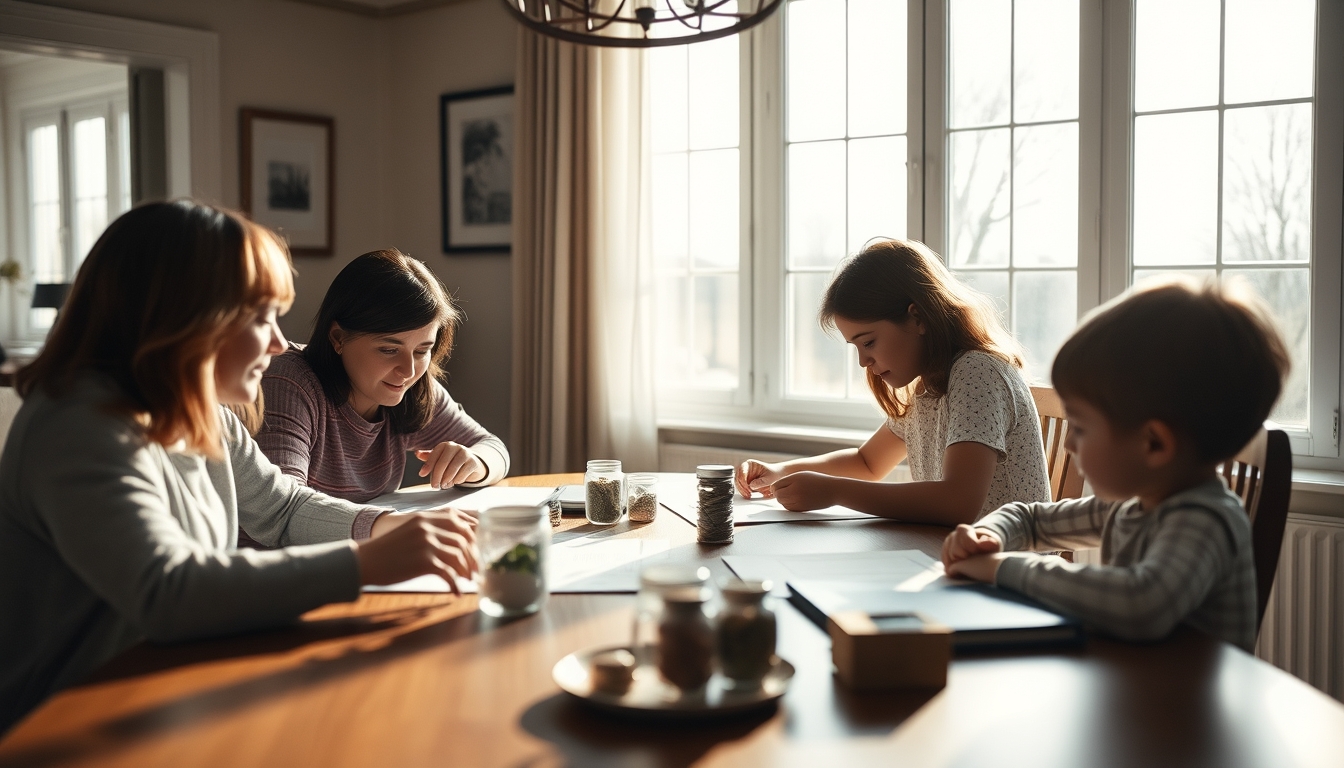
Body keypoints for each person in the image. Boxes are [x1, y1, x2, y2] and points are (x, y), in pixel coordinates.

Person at [0, 202, 478, 734]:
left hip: (164, 698)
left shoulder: (198, 411)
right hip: (59, 727)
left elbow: (282, 509)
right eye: (261, 318)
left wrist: (389, 528)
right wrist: (366, 563)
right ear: (187, 319)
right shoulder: (79, 426)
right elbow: (167, 591)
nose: (278, 342)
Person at [940, 277, 1289, 652]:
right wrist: (988, 536)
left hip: (1183, 692)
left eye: (1080, 428)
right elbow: (1029, 519)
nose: (1069, 444)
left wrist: (1001, 568)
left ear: (1153, 444)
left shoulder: (1205, 521)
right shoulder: (1133, 505)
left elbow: (1140, 604)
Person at [735, 239, 1051, 524]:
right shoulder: (927, 387)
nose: (863, 361)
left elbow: (958, 502)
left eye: (868, 342)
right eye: (856, 347)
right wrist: (780, 472)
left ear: (917, 318)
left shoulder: (977, 372)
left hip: (1010, 565)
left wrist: (834, 491)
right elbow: (868, 462)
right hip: (957, 556)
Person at [254, 250, 509, 506]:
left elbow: (493, 448)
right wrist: (387, 524)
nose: (408, 371)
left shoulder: (414, 390)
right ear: (338, 338)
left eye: (422, 351)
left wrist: (475, 463)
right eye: (389, 350)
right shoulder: (290, 380)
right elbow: (283, 506)